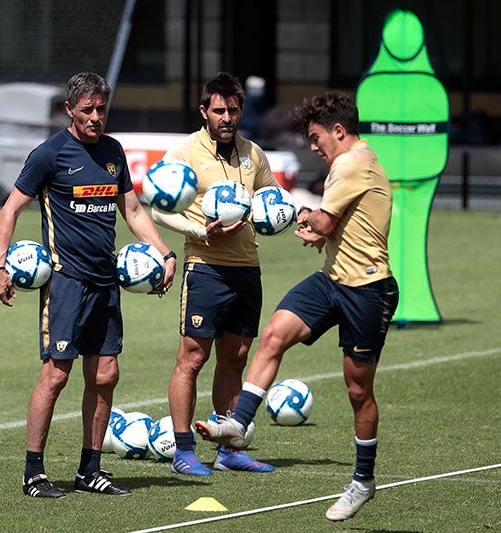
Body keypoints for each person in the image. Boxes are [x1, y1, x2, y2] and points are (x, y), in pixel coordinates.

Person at [195, 91, 400, 522]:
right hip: (332, 280)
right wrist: (318, 228)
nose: (312, 146)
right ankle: (239, 423)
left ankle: (362, 482)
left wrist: (302, 218)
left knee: (358, 390)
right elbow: (338, 225)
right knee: (274, 333)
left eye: (315, 137)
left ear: (338, 132)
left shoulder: (351, 163)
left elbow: (324, 221)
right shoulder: (352, 163)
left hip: (368, 290)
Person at [0, 72, 177, 498]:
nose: (96, 117)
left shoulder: (112, 152)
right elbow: (10, 209)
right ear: (70, 110)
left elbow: (131, 210)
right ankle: (33, 472)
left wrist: (165, 253)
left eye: (101, 109)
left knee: (106, 375)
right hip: (65, 284)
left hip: (105, 283)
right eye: (88, 109)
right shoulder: (50, 155)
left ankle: (89, 470)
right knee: (56, 376)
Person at [150, 72, 280, 476]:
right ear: (204, 111)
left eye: (233, 110)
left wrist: (289, 216)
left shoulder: (253, 154)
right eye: (219, 110)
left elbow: (272, 199)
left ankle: (228, 449)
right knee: (193, 357)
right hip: (205, 268)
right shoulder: (185, 153)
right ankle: (184, 450)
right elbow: (157, 209)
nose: (227, 117)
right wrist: (198, 230)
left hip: (247, 268)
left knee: (236, 358)